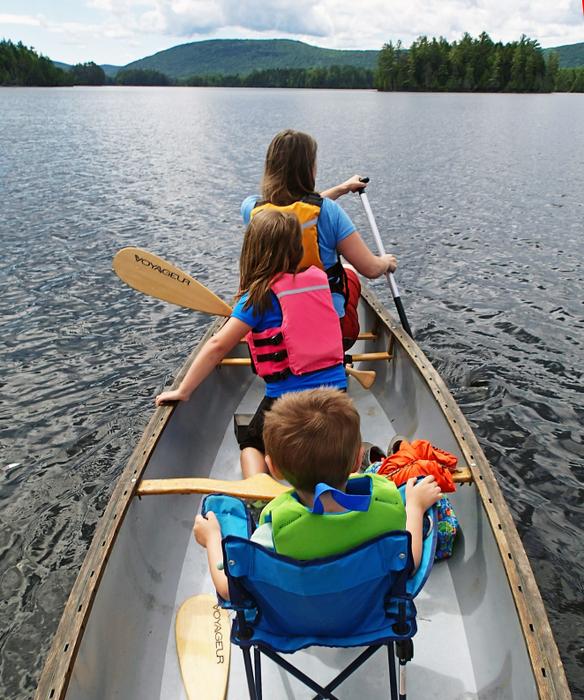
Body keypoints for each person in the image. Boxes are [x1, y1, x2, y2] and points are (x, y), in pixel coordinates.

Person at [194, 388, 442, 600]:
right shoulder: (387, 513)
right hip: (365, 617)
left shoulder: (272, 533)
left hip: (294, 624)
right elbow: (409, 563)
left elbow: (229, 590)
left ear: (274, 468)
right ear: (357, 460)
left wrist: (213, 539)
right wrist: (415, 507)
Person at [155, 210, 347, 477]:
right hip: (338, 394)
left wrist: (183, 391)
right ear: (296, 247)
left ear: (252, 250)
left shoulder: (257, 298)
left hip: (288, 401)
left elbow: (217, 346)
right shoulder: (318, 281)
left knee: (251, 443)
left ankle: (258, 493)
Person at [241, 129, 399, 349]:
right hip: (331, 331)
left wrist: (341, 189)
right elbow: (371, 269)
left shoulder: (252, 209)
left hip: (274, 331)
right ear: (309, 169)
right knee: (350, 275)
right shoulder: (330, 213)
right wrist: (386, 262)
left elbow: (290, 211)